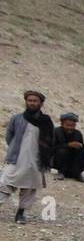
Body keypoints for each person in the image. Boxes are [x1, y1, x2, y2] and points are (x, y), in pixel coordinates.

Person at [0, 90, 55, 224]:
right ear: (26, 102)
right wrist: (15, 149)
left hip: (36, 161)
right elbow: (9, 136)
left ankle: (20, 214)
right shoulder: (17, 118)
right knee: (6, 183)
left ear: (41, 103)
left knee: (29, 188)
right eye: (29, 101)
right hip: (17, 158)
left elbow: (51, 141)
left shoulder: (46, 121)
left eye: (35, 101)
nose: (31, 103)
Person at [51, 112, 84, 181]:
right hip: (59, 160)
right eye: (67, 125)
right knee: (62, 151)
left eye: (72, 126)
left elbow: (82, 147)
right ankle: (61, 172)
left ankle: (77, 174)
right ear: (62, 124)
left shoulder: (78, 134)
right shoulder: (56, 131)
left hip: (73, 161)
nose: (70, 128)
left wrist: (79, 146)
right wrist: (68, 145)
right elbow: (52, 148)